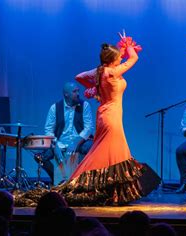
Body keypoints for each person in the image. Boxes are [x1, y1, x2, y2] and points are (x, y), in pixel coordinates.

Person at [56, 32, 144, 206]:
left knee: (110, 151)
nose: (121, 59)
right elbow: (134, 59)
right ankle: (81, 182)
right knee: (107, 151)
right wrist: (128, 46)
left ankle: (109, 190)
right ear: (113, 59)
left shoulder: (100, 71)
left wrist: (95, 87)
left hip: (106, 114)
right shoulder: (112, 71)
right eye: (119, 57)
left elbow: (79, 77)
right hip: (111, 117)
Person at [41, 82, 94, 185]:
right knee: (41, 157)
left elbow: (89, 128)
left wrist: (76, 142)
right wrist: (55, 143)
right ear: (66, 94)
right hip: (60, 142)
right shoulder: (55, 108)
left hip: (79, 141)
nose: (78, 93)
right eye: (75, 91)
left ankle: (83, 180)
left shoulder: (85, 106)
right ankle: (57, 179)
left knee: (90, 146)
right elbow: (48, 129)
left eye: (78, 91)